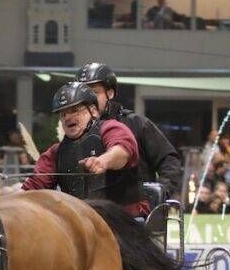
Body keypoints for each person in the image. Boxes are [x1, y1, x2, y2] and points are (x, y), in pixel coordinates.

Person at [22, 82, 147, 216]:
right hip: (81, 219)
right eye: (63, 114)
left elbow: (122, 150)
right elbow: (35, 185)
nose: (67, 117)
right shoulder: (55, 153)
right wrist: (13, 197)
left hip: (125, 216)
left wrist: (103, 161)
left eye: (74, 111)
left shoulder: (111, 128)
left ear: (93, 111)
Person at [76, 62, 184, 204]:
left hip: (135, 209)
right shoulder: (75, 130)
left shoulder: (136, 123)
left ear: (110, 93)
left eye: (94, 93)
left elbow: (169, 160)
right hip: (90, 209)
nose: (87, 99)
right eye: (82, 94)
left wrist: (159, 193)